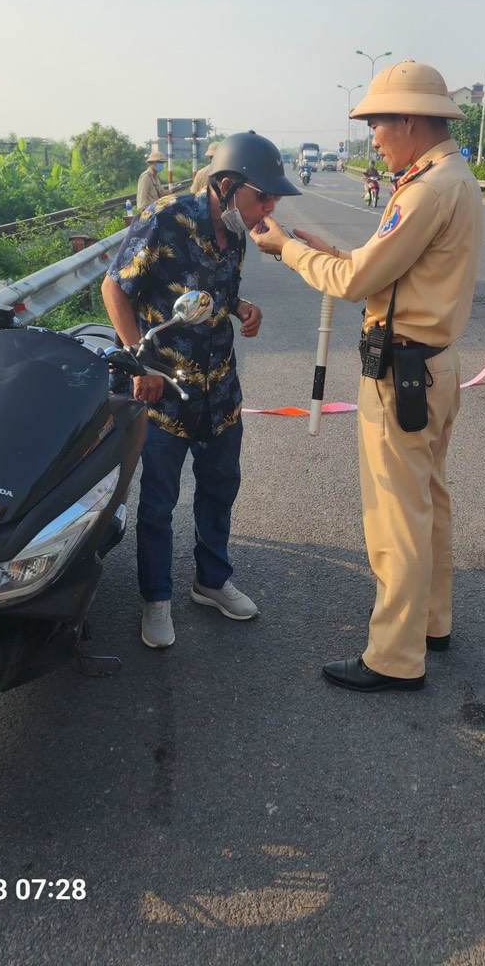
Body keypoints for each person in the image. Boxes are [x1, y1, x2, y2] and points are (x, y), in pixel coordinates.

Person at [249, 61, 483, 693]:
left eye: (377, 122)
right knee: (428, 501)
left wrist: (288, 250)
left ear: (409, 119)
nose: (373, 137)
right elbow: (386, 272)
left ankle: (394, 657)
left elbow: (355, 282)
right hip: (433, 364)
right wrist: (325, 252)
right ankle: (431, 623)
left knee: (394, 516)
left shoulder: (426, 191)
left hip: (403, 371)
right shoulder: (447, 178)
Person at [102, 131, 301, 649]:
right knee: (159, 502)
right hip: (164, 390)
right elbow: (113, 287)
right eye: (264, 195)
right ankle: (156, 599)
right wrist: (138, 362)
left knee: (220, 488)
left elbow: (220, 290)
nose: (270, 207)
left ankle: (211, 582)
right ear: (228, 185)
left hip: (220, 392)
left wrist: (242, 308)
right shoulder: (165, 218)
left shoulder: (235, 231)